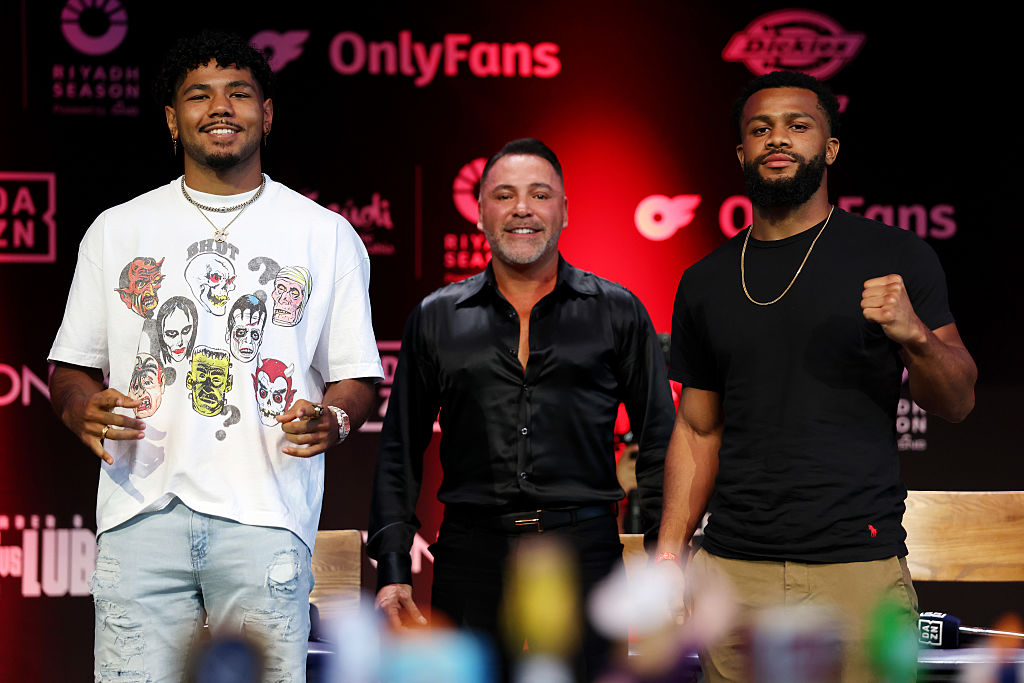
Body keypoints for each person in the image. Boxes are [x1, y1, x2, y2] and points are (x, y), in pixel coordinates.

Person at [47, 31, 383, 682]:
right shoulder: (119, 229)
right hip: (140, 512)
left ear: (268, 113)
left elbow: (357, 377)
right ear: (173, 120)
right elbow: (69, 368)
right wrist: (82, 408)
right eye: (199, 95)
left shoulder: (325, 233)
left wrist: (333, 421)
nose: (220, 106)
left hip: (265, 517)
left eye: (239, 93)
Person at [656, 70, 977, 682]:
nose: (779, 139)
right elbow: (698, 430)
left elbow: (957, 399)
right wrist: (671, 551)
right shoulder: (705, 280)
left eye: (799, 126)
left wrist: (914, 336)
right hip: (731, 572)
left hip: (857, 570)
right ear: (742, 152)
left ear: (828, 149)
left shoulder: (897, 256)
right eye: (761, 129)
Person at [367, 138, 674, 680]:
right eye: (504, 195)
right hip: (471, 555)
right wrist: (394, 569)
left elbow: (660, 442)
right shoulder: (436, 317)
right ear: (481, 212)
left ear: (564, 210)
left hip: (585, 554)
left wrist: (663, 557)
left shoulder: (619, 311)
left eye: (540, 194)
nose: (523, 209)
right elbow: (399, 451)